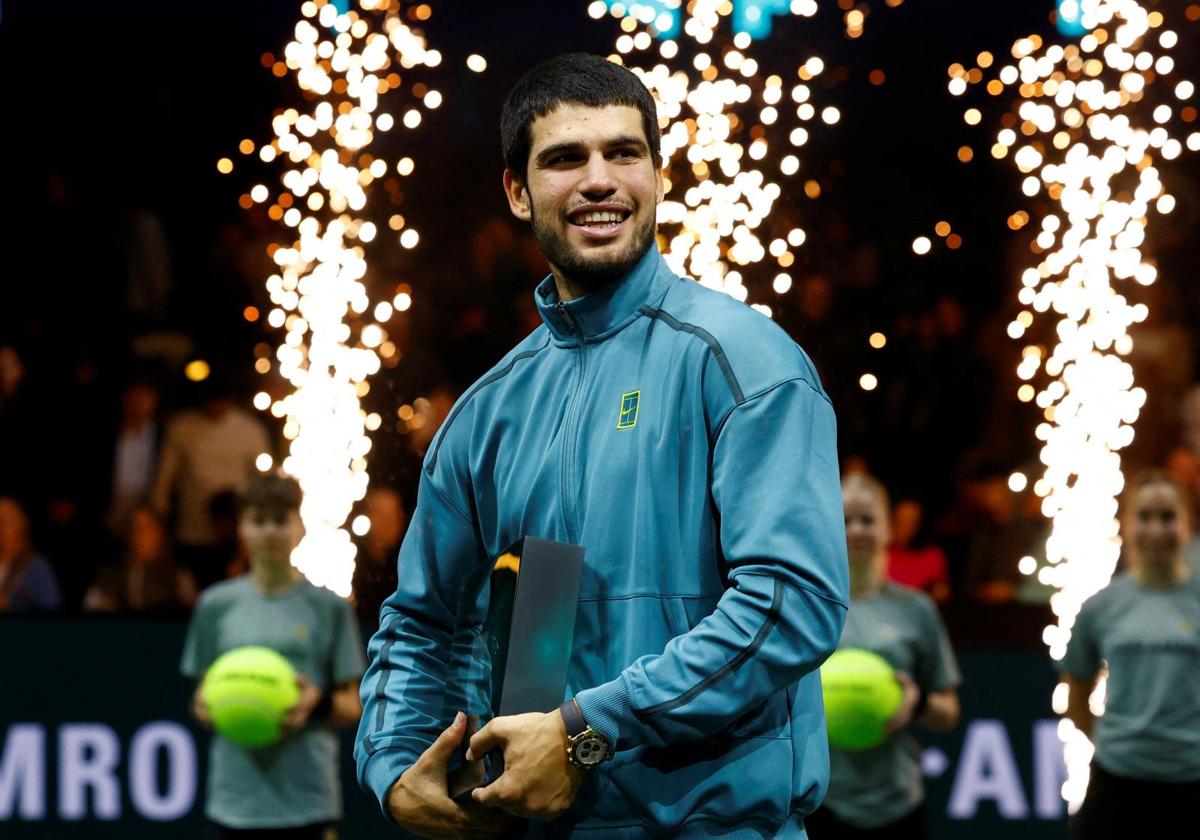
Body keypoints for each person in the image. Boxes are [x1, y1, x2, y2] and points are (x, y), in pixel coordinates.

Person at [355, 53, 849, 838]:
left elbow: (791, 603)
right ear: (518, 192)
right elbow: (421, 625)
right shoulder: (486, 413)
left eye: (624, 153)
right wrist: (392, 764)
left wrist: (588, 731)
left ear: (659, 176)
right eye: (564, 158)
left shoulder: (744, 361)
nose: (598, 180)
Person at [181, 474, 366, 839]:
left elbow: (353, 705)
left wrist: (318, 704)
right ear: (242, 528)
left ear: (299, 526)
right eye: (258, 520)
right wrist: (206, 706)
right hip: (233, 803)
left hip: (308, 802)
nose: (270, 532)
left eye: (280, 520)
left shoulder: (329, 607)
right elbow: (200, 700)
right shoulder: (214, 606)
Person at [807, 474, 960, 838]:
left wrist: (918, 702)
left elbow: (949, 713)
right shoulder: (807, 608)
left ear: (889, 529)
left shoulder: (916, 610)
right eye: (845, 520)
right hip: (819, 801)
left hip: (897, 800)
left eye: (868, 520)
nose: (856, 530)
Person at [1060, 471, 1200, 839]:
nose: (1156, 529)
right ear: (1126, 523)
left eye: (1167, 517)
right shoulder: (1100, 608)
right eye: (1145, 517)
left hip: (1191, 780)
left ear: (1187, 524)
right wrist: (1115, 743)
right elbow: (1075, 690)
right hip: (1117, 782)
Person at [153, 374, 271, 589]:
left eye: (223, 401)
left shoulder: (250, 430)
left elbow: (263, 482)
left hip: (237, 537)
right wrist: (160, 519)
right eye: (213, 400)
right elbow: (164, 480)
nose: (218, 407)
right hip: (192, 532)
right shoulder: (181, 428)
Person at [83, 505, 196, 613]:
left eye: (147, 528)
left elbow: (194, 615)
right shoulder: (108, 574)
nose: (140, 534)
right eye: (135, 527)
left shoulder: (179, 577)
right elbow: (91, 608)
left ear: (160, 534)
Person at [350, 486, 407, 631]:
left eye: (392, 516)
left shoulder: (408, 563)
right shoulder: (351, 558)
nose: (388, 523)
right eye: (381, 515)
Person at [0, 496, 62, 612]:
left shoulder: (36, 567)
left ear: (20, 526)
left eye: (3, 522)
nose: (0, 529)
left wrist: (10, 607)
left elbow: (51, 609)